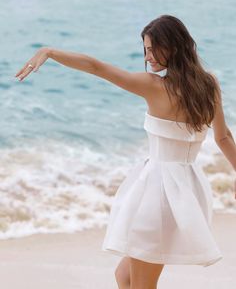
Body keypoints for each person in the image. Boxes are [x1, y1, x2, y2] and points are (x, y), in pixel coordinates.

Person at [15, 14, 236, 289]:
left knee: (142, 285)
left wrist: (49, 51)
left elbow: (97, 67)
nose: (149, 55)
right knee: (125, 276)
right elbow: (224, 137)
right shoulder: (208, 85)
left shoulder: (153, 85)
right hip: (187, 190)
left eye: (155, 48)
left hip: (159, 193)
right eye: (146, 49)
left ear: (175, 47)